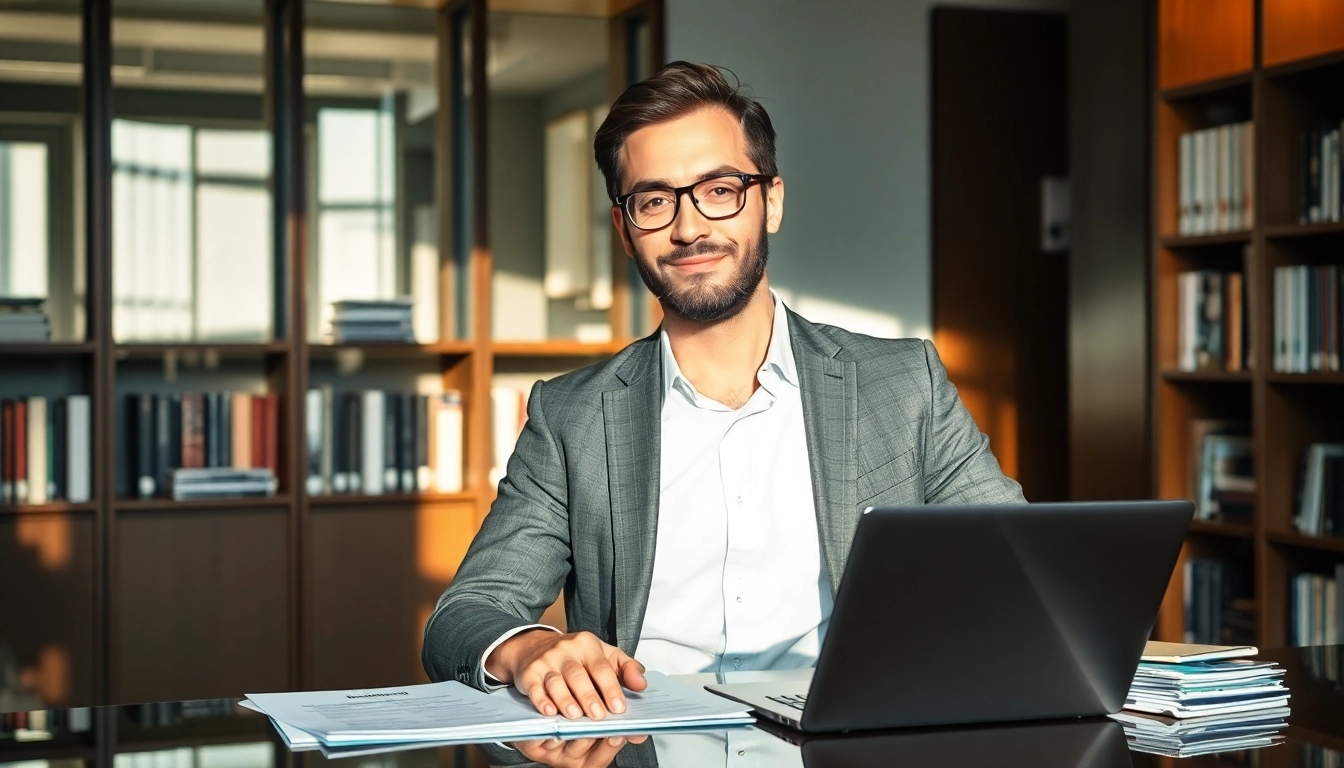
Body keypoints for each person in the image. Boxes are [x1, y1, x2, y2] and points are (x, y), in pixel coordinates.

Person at [422, 61, 1024, 723]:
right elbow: (464, 615)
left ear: (772, 201)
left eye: (719, 189)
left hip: (845, 741)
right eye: (654, 201)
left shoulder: (902, 383)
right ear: (625, 230)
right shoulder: (572, 417)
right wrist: (535, 647)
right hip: (638, 745)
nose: (688, 228)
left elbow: (1023, 571)